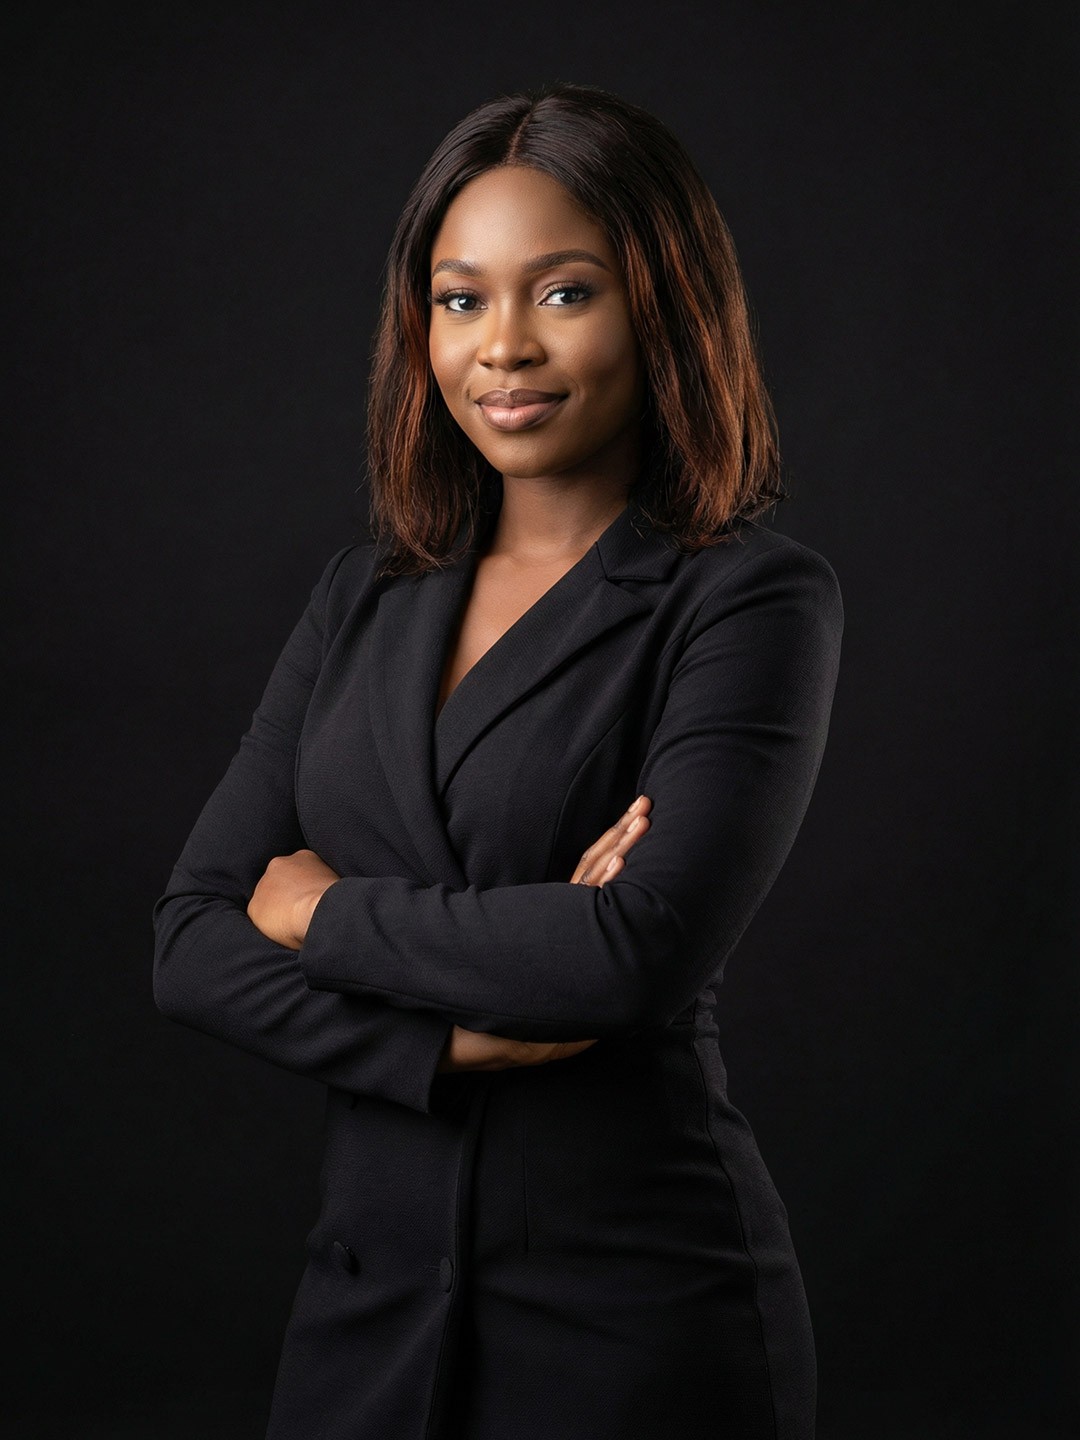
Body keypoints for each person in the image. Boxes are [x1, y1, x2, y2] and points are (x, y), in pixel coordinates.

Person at [152, 81, 844, 1440]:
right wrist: (459, 1037)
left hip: (635, 1324)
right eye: (461, 299)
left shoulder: (749, 601)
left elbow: (632, 954)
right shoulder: (362, 598)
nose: (504, 347)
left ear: (665, 305)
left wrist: (318, 912)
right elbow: (187, 944)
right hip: (363, 1322)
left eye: (565, 292)